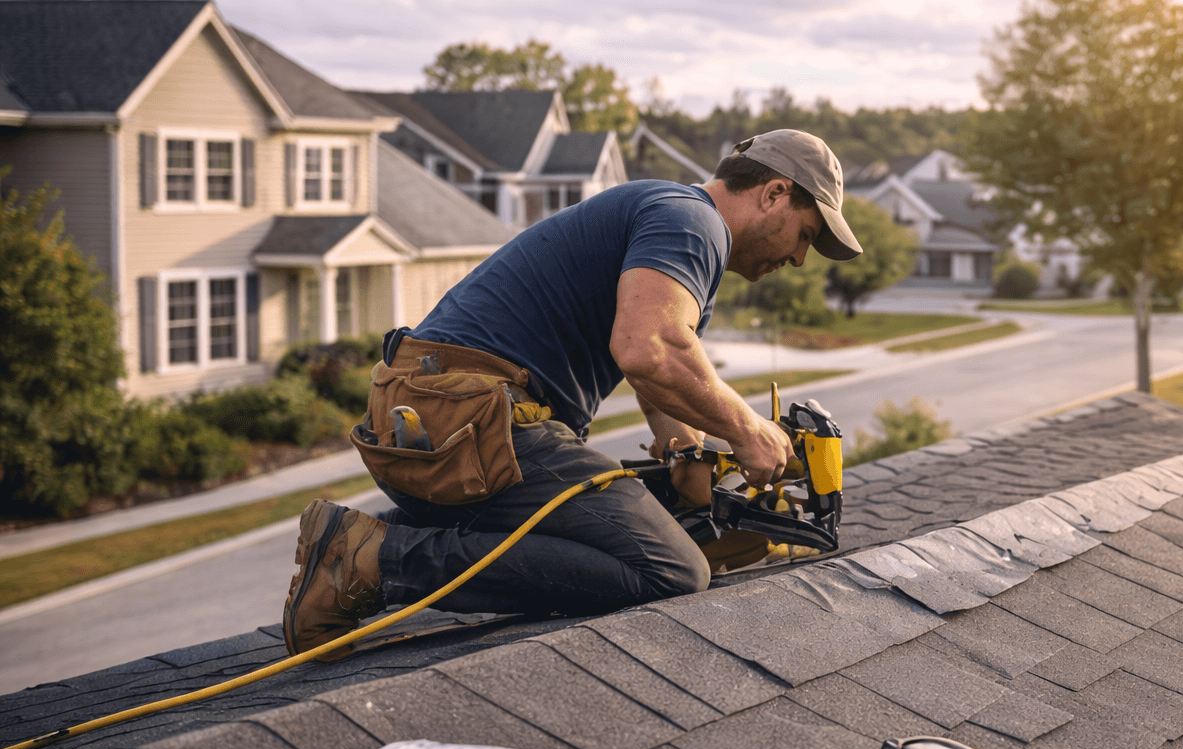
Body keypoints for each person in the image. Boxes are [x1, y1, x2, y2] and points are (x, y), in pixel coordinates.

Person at [282, 129, 863, 660]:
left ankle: (350, 553)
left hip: (434, 421)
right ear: (774, 193)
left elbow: (655, 372)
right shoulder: (693, 221)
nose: (797, 258)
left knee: (658, 524)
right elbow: (647, 347)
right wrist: (747, 430)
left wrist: (686, 449)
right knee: (671, 570)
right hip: (474, 422)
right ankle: (376, 563)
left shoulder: (671, 219)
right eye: (805, 235)